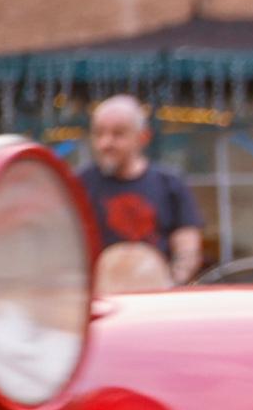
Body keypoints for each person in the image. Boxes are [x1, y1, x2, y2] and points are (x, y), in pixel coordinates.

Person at [83, 95, 204, 283]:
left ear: (143, 137)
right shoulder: (79, 185)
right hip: (99, 300)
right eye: (99, 133)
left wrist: (171, 282)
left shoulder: (170, 183)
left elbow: (187, 247)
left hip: (155, 301)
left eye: (118, 134)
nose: (105, 143)